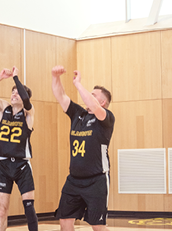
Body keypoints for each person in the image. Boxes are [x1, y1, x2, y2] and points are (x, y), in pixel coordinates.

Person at [51, 65, 115, 231]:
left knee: (97, 226)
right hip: (74, 180)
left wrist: (78, 84)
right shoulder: (78, 114)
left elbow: (94, 107)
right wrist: (55, 77)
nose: (86, 96)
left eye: (93, 95)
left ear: (102, 102)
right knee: (64, 222)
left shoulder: (106, 118)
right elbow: (61, 96)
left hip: (96, 180)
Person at [0, 66, 38, 231]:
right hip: (4, 165)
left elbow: (26, 101)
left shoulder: (28, 113)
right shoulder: (3, 108)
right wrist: (0, 77)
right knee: (2, 210)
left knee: (28, 207)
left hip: (22, 165)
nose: (14, 94)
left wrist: (16, 79)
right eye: (12, 92)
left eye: (17, 92)